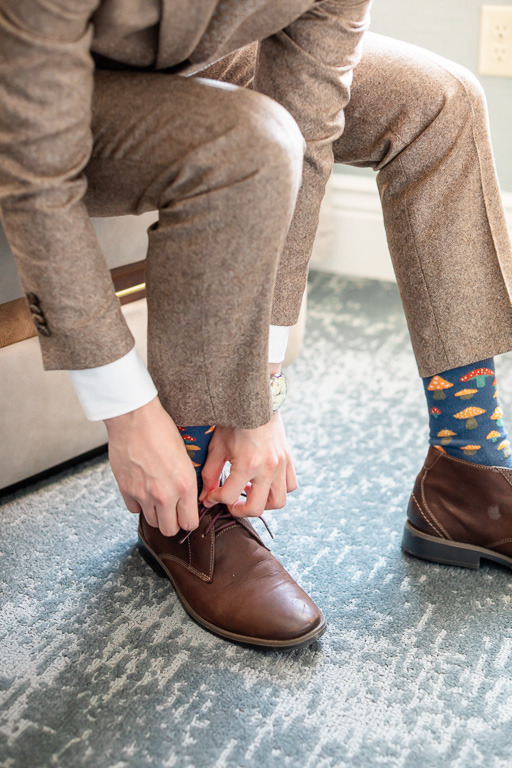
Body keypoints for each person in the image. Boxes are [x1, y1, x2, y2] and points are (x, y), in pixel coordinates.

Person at [2, 0, 512, 651]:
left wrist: (259, 392)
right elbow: (35, 176)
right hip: (29, 93)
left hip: (186, 60)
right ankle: (185, 510)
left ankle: (470, 472)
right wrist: (129, 412)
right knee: (241, 141)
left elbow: (306, 138)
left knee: (441, 100)